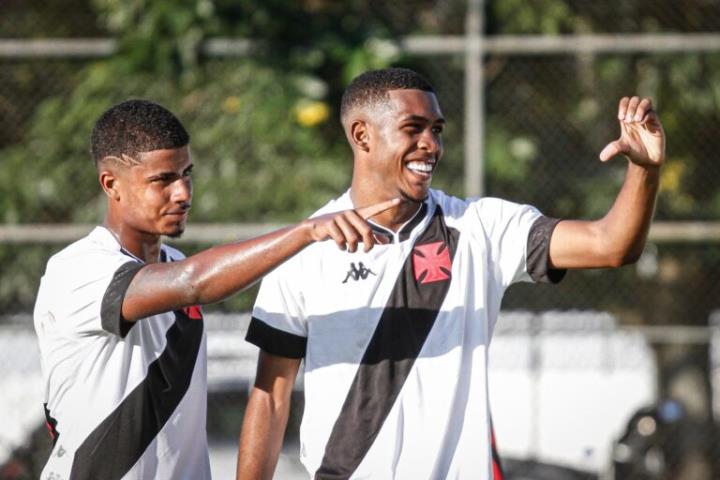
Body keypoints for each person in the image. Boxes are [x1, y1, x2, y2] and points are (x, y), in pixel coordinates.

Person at [237, 67, 665, 479]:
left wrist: (644, 170)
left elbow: (610, 245)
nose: (431, 145)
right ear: (362, 135)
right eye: (413, 128)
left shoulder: (482, 228)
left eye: (437, 130)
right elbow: (271, 398)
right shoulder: (305, 248)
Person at [33, 99, 398, 480]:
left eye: (186, 173)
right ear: (112, 185)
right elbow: (194, 283)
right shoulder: (77, 270)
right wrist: (308, 231)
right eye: (162, 180)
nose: (182, 193)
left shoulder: (173, 262)